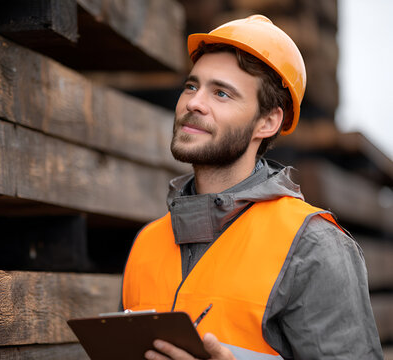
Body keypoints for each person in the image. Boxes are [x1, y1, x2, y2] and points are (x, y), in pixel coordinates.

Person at [121, 15, 383, 360]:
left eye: (221, 93)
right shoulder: (146, 244)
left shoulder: (314, 247)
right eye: (191, 86)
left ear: (267, 121)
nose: (194, 103)